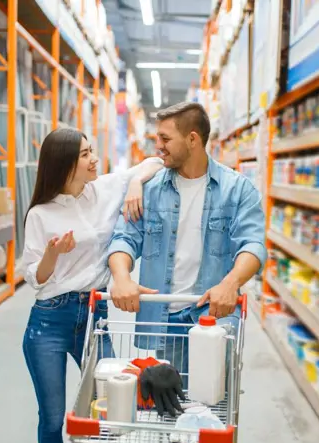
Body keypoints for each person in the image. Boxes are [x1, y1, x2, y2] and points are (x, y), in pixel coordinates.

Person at [107, 102, 267, 401]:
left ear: (193, 139)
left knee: (214, 402)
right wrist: (122, 277)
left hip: (213, 314)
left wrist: (229, 283)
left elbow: (253, 245)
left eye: (165, 139)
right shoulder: (150, 189)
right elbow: (124, 238)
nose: (158, 147)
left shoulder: (237, 189)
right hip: (167, 314)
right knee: (174, 402)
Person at [20, 127, 163, 443]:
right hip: (50, 321)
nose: (94, 159)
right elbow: (35, 278)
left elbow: (153, 162)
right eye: (85, 154)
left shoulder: (106, 188)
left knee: (113, 405)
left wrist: (136, 183)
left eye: (90, 151)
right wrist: (53, 254)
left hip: (94, 317)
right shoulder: (41, 214)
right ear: (65, 164)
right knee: (54, 419)